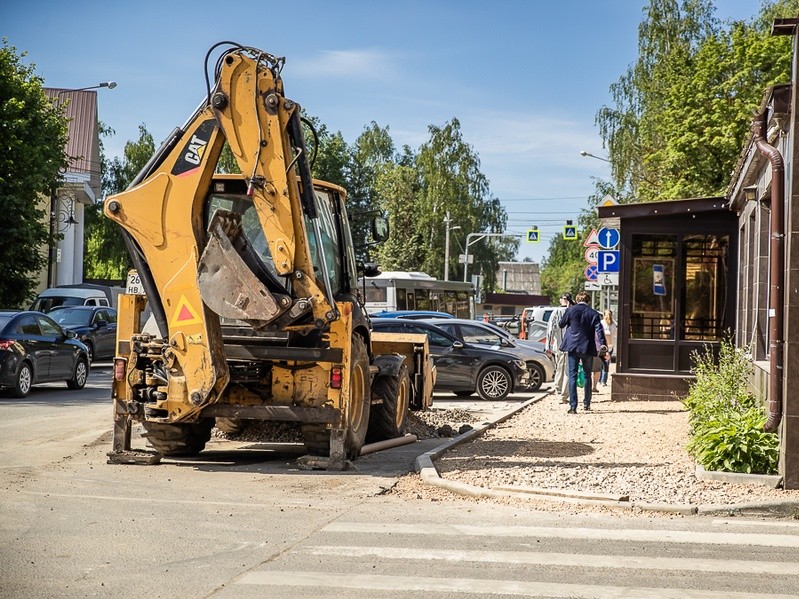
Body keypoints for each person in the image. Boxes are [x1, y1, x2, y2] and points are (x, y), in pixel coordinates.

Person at [559, 291, 606, 413]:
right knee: (587, 376)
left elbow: (561, 324)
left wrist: (569, 312)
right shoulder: (593, 313)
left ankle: (573, 406)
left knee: (572, 375)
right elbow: (599, 330)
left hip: (572, 346)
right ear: (588, 301)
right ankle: (587, 404)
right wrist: (602, 344)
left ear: (577, 299)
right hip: (587, 347)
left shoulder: (570, 310)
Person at [545, 293, 574, 403]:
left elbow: (550, 329)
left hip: (559, 344)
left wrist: (548, 346)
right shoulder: (572, 311)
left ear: (562, 300)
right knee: (567, 369)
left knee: (559, 367)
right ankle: (564, 393)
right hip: (570, 345)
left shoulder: (556, 312)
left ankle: (559, 388)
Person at [600, 309, 617, 386]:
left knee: (601, 362)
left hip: (602, 346)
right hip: (610, 345)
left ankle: (600, 379)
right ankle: (604, 380)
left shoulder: (601, 323)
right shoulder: (614, 324)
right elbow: (615, 334)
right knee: (606, 363)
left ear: (604, 315)